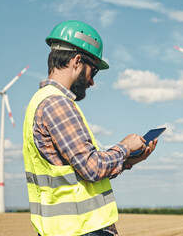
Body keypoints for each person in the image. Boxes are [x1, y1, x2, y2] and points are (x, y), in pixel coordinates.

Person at [22, 20, 157, 236]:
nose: (92, 82)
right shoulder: (57, 104)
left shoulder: (40, 101)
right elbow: (92, 168)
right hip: (81, 228)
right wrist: (125, 146)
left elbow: (78, 175)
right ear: (77, 61)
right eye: (93, 71)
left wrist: (129, 160)